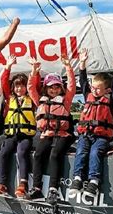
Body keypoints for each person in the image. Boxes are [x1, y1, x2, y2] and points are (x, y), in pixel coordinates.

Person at [69, 49, 113, 198]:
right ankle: (77, 179)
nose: (94, 90)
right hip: (85, 134)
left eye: (97, 89)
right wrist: (82, 63)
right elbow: (82, 81)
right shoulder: (88, 94)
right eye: (93, 87)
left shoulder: (110, 100)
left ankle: (94, 181)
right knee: (81, 151)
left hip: (101, 137)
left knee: (95, 153)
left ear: (106, 90)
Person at [26, 55, 76, 204]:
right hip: (46, 134)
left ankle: (53, 190)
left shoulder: (65, 101)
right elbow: (30, 88)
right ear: (45, 88)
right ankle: (36, 189)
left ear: (61, 87)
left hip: (63, 135)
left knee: (55, 155)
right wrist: (34, 71)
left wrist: (68, 67)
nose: (54, 89)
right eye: (50, 86)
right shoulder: (39, 100)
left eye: (57, 86)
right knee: (38, 155)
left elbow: (72, 87)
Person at [0, 55, 36, 199]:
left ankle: (23, 185)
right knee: (4, 152)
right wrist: (8, 66)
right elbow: (4, 82)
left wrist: (34, 70)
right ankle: (2, 185)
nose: (19, 89)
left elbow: (34, 85)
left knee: (22, 152)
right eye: (17, 86)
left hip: (26, 136)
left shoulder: (32, 99)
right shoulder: (10, 100)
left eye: (22, 86)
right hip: (11, 135)